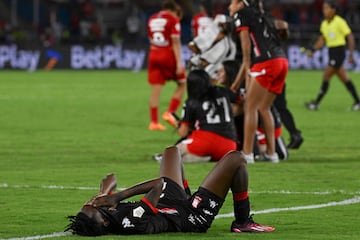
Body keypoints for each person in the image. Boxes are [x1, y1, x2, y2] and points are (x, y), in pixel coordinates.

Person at [66, 146, 275, 236]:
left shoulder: (103, 215)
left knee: (171, 152)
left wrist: (103, 193)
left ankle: (188, 196)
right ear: (104, 222)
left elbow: (110, 177)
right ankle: (243, 221)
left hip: (171, 204)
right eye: (97, 210)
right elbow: (159, 184)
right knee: (236, 159)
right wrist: (118, 196)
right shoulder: (131, 222)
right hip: (190, 217)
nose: (97, 207)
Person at [229, 0, 289, 163]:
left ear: (241, 3)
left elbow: (246, 47)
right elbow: (283, 26)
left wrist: (248, 72)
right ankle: (271, 153)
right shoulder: (263, 15)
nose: (230, 6)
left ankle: (247, 154)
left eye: (233, 2)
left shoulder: (242, 14)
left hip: (265, 62)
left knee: (250, 106)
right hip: (282, 61)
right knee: (264, 107)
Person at [305, 0, 360, 111]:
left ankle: (316, 103)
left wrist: (350, 54)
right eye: (323, 8)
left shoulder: (340, 22)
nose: (324, 11)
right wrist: (313, 50)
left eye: (326, 8)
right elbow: (322, 39)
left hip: (339, 52)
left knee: (326, 76)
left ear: (333, 10)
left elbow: (350, 36)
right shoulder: (324, 24)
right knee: (344, 78)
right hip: (332, 52)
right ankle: (358, 102)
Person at [175, 69, 238, 163]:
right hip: (229, 146)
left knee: (174, 152)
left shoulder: (191, 101)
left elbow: (183, 132)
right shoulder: (223, 91)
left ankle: (203, 156)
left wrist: (176, 123)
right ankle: (209, 156)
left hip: (204, 142)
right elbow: (242, 101)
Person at [147, 0, 187, 131]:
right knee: (182, 83)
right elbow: (175, 42)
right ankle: (170, 112)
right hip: (167, 54)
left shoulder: (151, 19)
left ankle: (153, 122)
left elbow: (150, 39)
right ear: (174, 11)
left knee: (156, 89)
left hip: (153, 53)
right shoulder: (173, 19)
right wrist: (179, 63)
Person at [274, 84, 304, 149]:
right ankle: (295, 134)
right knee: (281, 109)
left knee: (264, 109)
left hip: (268, 80)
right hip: (278, 80)